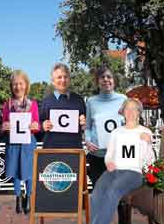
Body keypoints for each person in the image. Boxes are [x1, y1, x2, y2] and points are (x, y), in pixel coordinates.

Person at [90, 98, 154, 224]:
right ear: (123, 112)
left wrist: (147, 143)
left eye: (134, 109)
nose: (130, 112)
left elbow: (150, 160)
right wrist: (109, 163)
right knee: (97, 192)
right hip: (115, 170)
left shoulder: (146, 132)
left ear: (139, 113)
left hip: (134, 172)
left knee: (113, 190)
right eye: (127, 109)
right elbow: (109, 155)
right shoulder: (116, 132)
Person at [85, 66, 129, 223]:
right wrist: (88, 141)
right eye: (102, 78)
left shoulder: (123, 99)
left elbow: (130, 123)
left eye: (109, 77)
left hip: (118, 159)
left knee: (119, 196)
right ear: (97, 82)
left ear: (114, 81)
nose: (106, 80)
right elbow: (88, 127)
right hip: (97, 157)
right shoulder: (91, 101)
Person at [1, 70, 39, 214]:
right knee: (15, 170)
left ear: (26, 85)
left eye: (21, 83)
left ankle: (28, 198)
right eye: (15, 84)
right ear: (12, 86)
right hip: (13, 142)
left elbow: (37, 124)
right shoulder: (7, 105)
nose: (18, 87)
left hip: (28, 143)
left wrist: (35, 126)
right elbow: (4, 123)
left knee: (29, 171)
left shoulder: (33, 104)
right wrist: (5, 126)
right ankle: (17, 197)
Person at [40, 63, 86, 148]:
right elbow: (38, 125)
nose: (63, 80)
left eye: (65, 77)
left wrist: (84, 122)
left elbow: (86, 126)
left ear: (69, 79)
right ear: (53, 81)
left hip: (74, 150)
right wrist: (42, 126)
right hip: (51, 151)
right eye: (59, 77)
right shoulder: (46, 101)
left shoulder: (79, 100)